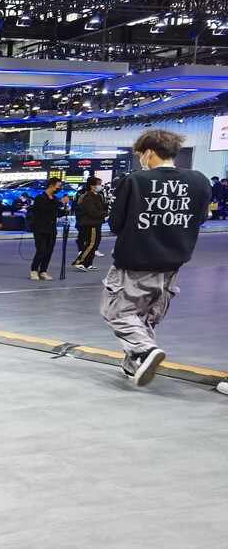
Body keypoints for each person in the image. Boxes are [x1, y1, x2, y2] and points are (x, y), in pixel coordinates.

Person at [101, 129, 211, 387]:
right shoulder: (199, 181)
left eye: (141, 154)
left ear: (149, 152)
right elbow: (200, 219)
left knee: (117, 312)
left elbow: (116, 224)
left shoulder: (135, 180)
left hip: (136, 260)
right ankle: (134, 364)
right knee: (145, 317)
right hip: (173, 262)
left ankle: (144, 351)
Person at [28, 177, 70, 281]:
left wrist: (65, 209)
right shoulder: (40, 198)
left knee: (49, 251)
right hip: (40, 228)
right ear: (51, 185)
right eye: (58, 186)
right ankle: (34, 270)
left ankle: (43, 271)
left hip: (51, 229)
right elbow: (45, 210)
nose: (59, 188)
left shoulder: (55, 199)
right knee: (41, 250)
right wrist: (60, 203)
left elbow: (56, 213)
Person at [71, 176, 109, 271]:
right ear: (92, 186)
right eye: (99, 184)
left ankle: (88, 263)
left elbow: (102, 208)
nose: (100, 186)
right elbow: (92, 212)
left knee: (94, 244)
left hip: (96, 222)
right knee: (91, 244)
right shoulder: (88, 197)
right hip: (90, 223)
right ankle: (79, 262)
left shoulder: (98, 196)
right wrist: (105, 214)